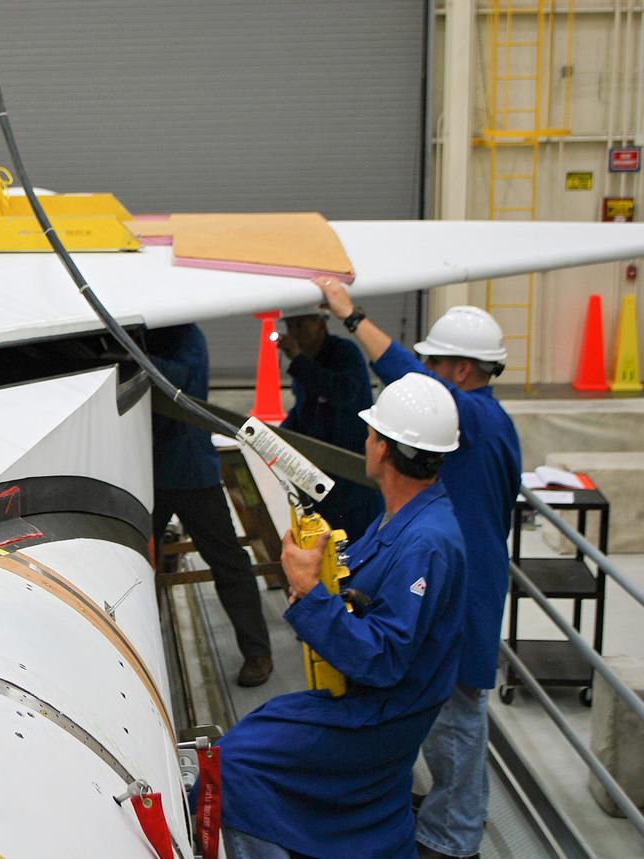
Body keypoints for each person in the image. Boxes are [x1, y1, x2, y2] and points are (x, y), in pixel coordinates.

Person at [218, 372, 467, 859]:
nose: (366, 441)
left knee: (234, 765)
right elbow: (372, 597)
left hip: (381, 714)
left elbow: (383, 659)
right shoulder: (404, 517)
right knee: (258, 725)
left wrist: (309, 589)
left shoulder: (426, 542)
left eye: (371, 433)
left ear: (383, 449)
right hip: (376, 702)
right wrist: (327, 581)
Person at [314, 277, 522, 859]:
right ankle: (443, 819)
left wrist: (350, 315)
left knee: (457, 719)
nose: (427, 374)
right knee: (448, 711)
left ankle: (454, 840)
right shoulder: (494, 421)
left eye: (436, 365)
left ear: (461, 371)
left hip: (466, 591)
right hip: (474, 578)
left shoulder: (470, 416)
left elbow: (404, 373)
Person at [147, 324, 274, 687]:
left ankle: (257, 652)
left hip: (190, 471)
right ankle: (145, 655)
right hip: (146, 469)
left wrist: (130, 357)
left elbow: (179, 379)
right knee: (138, 565)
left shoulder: (186, 335)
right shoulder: (141, 332)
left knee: (227, 561)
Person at [277, 306, 383, 542]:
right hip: (318, 475)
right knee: (322, 543)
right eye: (290, 327)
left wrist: (299, 362)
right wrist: (276, 436)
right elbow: (304, 410)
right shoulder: (306, 362)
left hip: (351, 474)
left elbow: (342, 392)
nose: (295, 333)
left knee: (357, 543)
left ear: (320, 324)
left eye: (301, 325)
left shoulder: (344, 353)